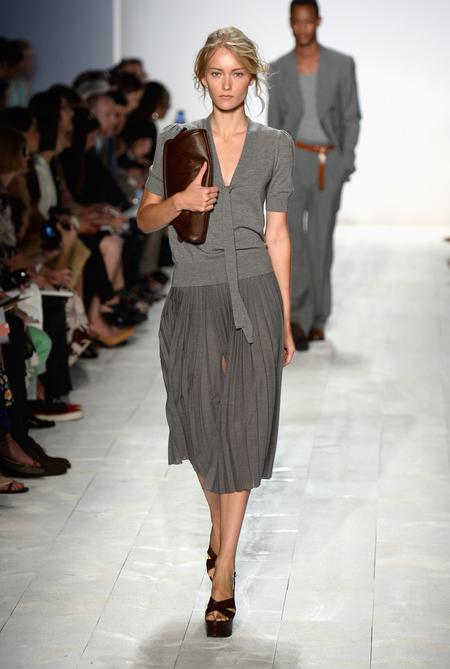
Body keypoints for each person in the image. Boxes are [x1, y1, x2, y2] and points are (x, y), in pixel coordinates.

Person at [137, 26, 295, 638]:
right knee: (201, 422)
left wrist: (284, 319)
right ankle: (218, 527)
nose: (227, 84)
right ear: (202, 77)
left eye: (238, 73)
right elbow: (146, 219)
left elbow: (277, 234)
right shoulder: (176, 142)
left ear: (252, 78)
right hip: (192, 295)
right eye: (216, 72)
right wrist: (180, 201)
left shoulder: (274, 145)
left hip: (254, 293)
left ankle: (223, 572)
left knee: (244, 425)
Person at [269, 0, 361, 349]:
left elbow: (351, 115)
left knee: (321, 241)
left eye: (308, 21)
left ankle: (319, 317)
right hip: (293, 159)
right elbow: (274, 124)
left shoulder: (341, 64)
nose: (303, 27)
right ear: (290, 23)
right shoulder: (277, 69)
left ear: (318, 21)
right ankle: (297, 316)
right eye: (297, 21)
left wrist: (345, 161)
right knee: (291, 239)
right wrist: (275, 167)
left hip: (327, 162)